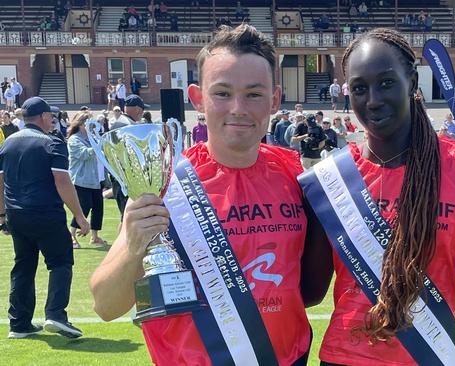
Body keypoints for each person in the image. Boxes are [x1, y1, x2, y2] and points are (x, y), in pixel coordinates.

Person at [89, 24, 329, 365]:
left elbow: (309, 289)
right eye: (222, 93)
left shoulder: (297, 175)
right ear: (197, 97)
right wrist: (133, 243)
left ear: (275, 99)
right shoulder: (166, 182)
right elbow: (105, 306)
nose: (238, 108)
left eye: (254, 94)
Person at [314, 28, 455, 365]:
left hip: (429, 355)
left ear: (412, 82)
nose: (372, 99)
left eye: (386, 83)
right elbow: (310, 291)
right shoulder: (331, 178)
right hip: (344, 356)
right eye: (359, 88)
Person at [0, 97, 89, 339]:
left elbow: (0, 182)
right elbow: (62, 181)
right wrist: (79, 216)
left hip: (17, 214)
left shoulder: (7, 143)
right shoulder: (52, 143)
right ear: (42, 117)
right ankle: (56, 314)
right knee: (60, 262)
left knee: (23, 266)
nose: (52, 119)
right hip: (45, 213)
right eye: (50, 115)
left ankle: (19, 324)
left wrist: (2, 215)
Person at [66, 112, 107, 249]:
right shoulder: (74, 140)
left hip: (96, 180)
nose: (92, 125)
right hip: (81, 179)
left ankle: (94, 237)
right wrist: (98, 146)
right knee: (83, 207)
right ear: (81, 124)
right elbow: (83, 154)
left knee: (98, 208)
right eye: (89, 122)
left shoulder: (93, 138)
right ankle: (72, 236)